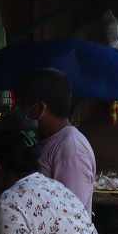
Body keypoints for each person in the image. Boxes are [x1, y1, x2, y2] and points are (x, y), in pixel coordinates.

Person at [24, 68, 95, 214]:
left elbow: (71, 213)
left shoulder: (71, 148)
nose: (23, 111)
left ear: (41, 108)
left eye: (26, 105)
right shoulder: (49, 140)